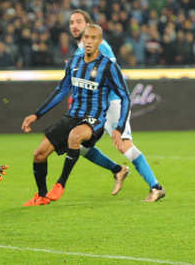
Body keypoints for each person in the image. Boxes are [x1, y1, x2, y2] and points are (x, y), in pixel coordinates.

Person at [21, 22, 131, 206]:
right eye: (86, 37)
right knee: (39, 154)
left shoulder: (108, 66)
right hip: (72, 116)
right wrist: (36, 115)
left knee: (75, 136)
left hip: (94, 119)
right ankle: (41, 196)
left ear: (100, 41)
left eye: (93, 38)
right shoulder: (74, 62)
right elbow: (60, 91)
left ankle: (60, 184)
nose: (89, 41)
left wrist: (119, 127)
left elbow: (125, 97)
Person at [69, 10, 165, 202]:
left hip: (111, 102)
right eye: (71, 22)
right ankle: (118, 169)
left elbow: (110, 75)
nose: (74, 26)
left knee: (124, 144)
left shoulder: (101, 46)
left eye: (79, 22)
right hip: (95, 107)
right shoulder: (81, 50)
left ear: (89, 25)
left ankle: (156, 187)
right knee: (78, 144)